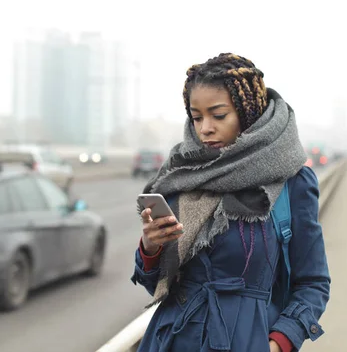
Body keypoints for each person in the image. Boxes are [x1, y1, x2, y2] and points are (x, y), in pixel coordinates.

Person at [131, 53, 330, 352]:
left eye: (218, 115)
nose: (205, 128)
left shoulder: (291, 181)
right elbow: (156, 284)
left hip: (247, 341)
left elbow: (313, 283)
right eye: (197, 117)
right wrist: (151, 247)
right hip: (170, 340)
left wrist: (279, 342)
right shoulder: (182, 174)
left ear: (247, 112)